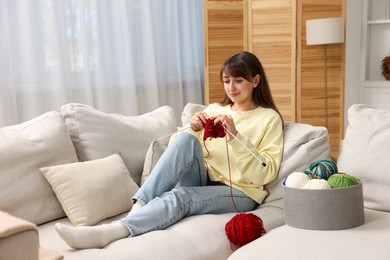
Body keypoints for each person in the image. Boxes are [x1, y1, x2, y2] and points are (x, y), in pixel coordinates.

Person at [55, 51, 284, 249]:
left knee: (181, 196)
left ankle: (113, 231)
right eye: (226, 81)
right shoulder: (214, 109)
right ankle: (139, 207)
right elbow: (177, 149)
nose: (231, 87)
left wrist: (236, 136)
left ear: (255, 81)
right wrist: (191, 128)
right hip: (204, 180)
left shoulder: (268, 118)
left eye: (238, 81)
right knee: (185, 139)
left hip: (241, 193)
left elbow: (266, 172)